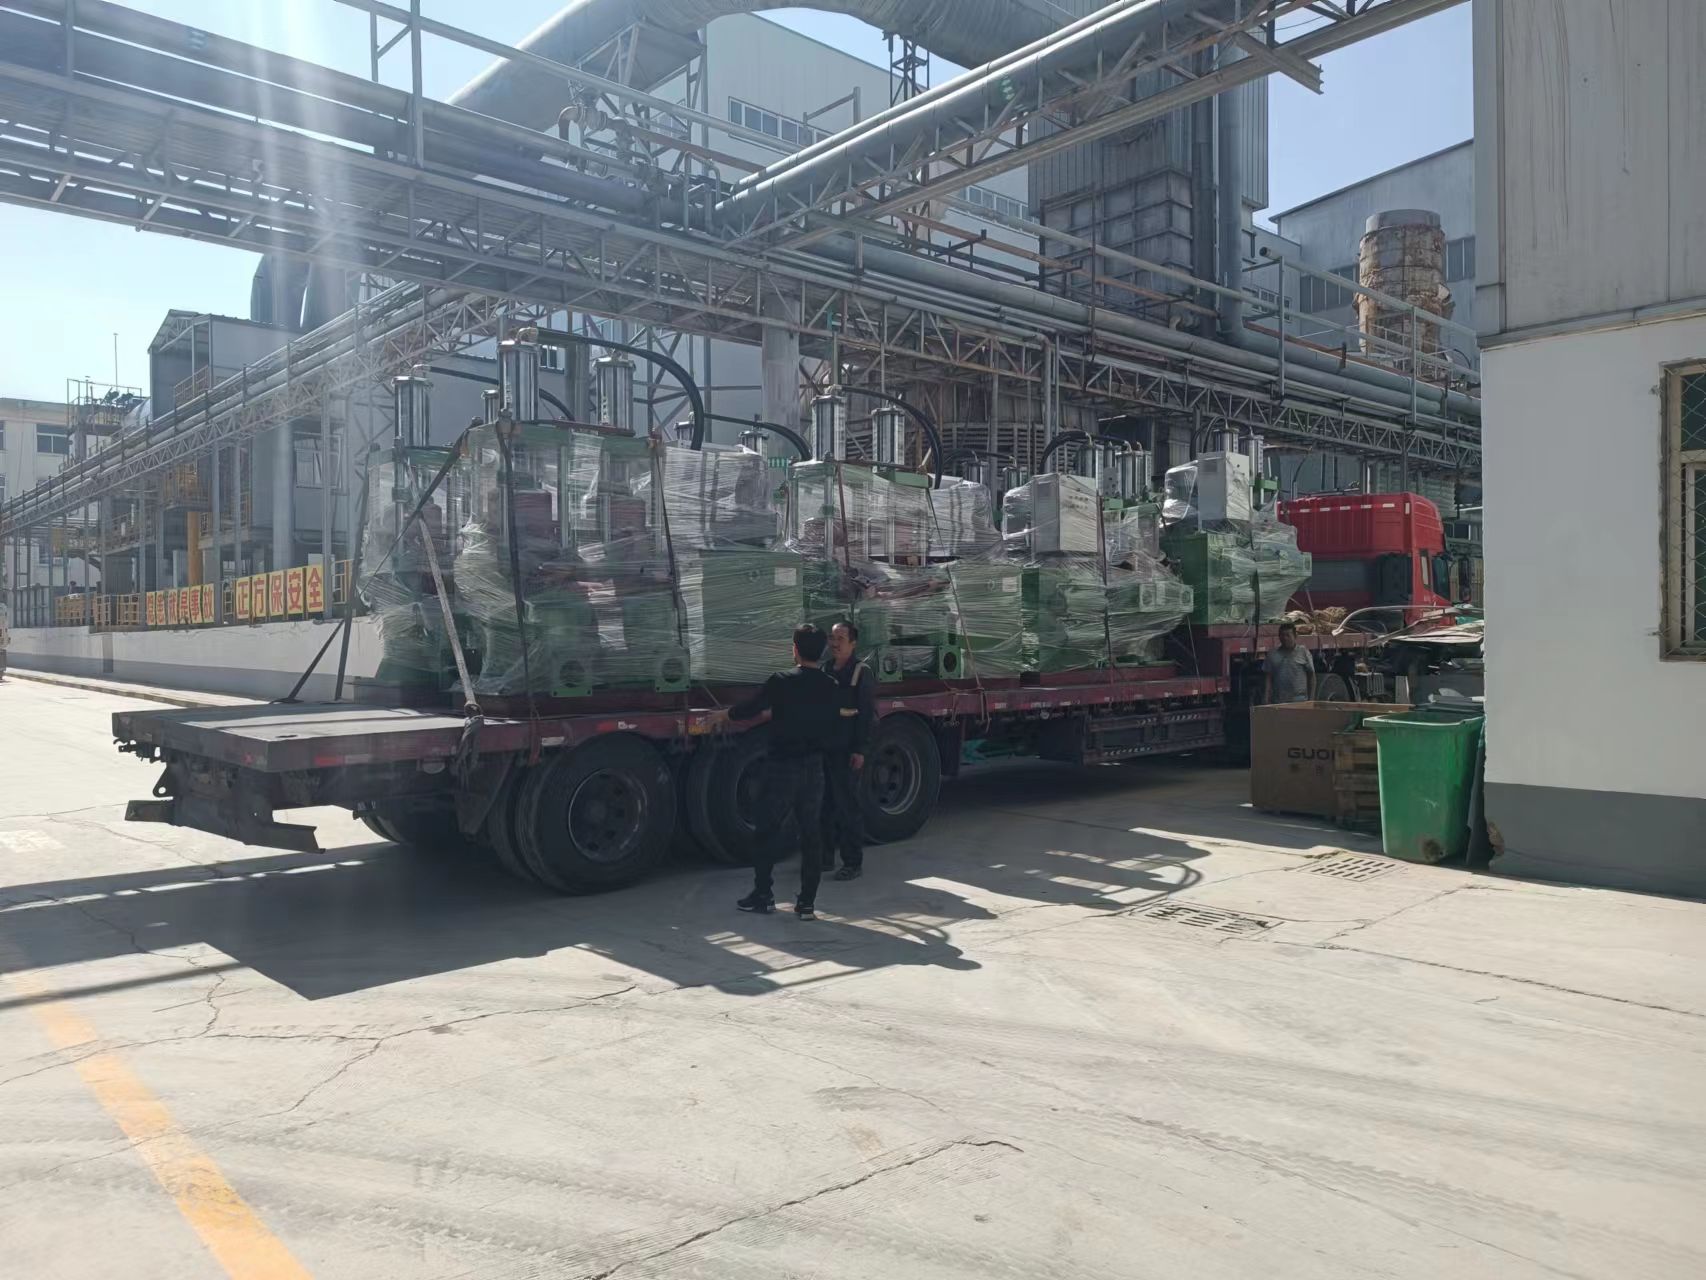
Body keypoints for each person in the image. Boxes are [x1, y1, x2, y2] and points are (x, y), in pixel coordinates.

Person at [719, 623, 843, 920]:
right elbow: (833, 728)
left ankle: (763, 895)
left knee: (767, 831)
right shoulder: (831, 685)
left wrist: (725, 714)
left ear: (795, 649)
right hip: (814, 768)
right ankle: (807, 903)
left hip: (782, 767)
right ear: (822, 651)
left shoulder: (782, 681)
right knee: (810, 834)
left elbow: (753, 708)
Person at [823, 620, 876, 881]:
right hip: (826, 748)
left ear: (853, 644)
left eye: (840, 639)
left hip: (847, 750)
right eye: (832, 638)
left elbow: (866, 715)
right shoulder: (825, 669)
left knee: (847, 807)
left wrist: (860, 750)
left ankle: (852, 862)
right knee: (823, 804)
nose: (835, 643)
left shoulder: (860, 672)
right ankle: (823, 857)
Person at [1264, 621, 1316, 703]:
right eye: (1282, 635)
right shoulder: (1272, 654)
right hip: (1279, 701)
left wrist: (1311, 700)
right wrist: (1266, 700)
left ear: (1295, 636)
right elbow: (1268, 679)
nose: (1285, 638)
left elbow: (1311, 677)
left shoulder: (1303, 652)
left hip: (1300, 701)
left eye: (1288, 635)